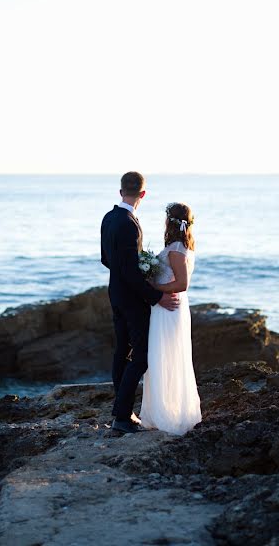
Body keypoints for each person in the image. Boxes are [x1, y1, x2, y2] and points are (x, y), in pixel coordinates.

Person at [100, 172, 180, 434]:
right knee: (142, 356)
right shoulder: (129, 223)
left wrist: (130, 270)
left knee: (121, 352)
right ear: (143, 194)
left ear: (120, 191)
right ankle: (122, 416)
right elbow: (130, 271)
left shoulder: (109, 218)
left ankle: (123, 412)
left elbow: (106, 260)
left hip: (115, 294)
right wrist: (156, 296)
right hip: (132, 299)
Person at [139, 202, 202, 435]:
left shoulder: (176, 248)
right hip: (170, 307)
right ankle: (165, 410)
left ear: (170, 222)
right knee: (166, 356)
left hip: (168, 308)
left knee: (162, 356)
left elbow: (182, 284)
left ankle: (167, 414)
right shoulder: (181, 246)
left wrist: (153, 286)